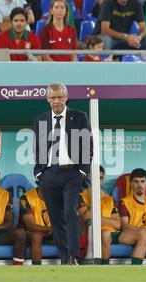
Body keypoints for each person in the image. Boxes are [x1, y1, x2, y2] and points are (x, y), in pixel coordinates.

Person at [33, 82, 93, 265]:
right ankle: (65, 257)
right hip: (49, 175)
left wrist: (82, 171)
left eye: (60, 97)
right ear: (47, 100)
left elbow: (88, 146)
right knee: (55, 218)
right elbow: (38, 147)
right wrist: (39, 173)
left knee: (69, 213)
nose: (56, 101)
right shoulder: (40, 119)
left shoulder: (79, 116)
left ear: (66, 98)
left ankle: (74, 256)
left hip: (72, 173)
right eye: (53, 98)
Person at [78, 166, 120, 265]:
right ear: (88, 179)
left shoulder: (108, 199)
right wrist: (95, 199)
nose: (98, 181)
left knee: (106, 233)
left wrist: (99, 218)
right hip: (88, 232)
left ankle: (105, 268)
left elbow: (117, 224)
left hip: (108, 232)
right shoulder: (80, 196)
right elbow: (86, 217)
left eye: (100, 178)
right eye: (95, 178)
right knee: (105, 233)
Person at [19, 185, 52, 265]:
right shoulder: (26, 197)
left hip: (51, 232)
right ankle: (37, 269)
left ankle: (68, 265)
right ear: (38, 182)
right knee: (37, 235)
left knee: (68, 233)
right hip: (31, 233)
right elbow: (31, 226)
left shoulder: (58, 195)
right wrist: (50, 229)